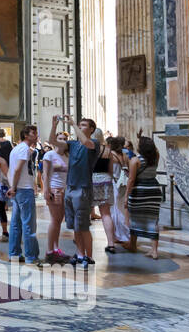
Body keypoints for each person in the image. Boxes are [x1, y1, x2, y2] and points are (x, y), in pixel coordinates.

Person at [49, 113, 100, 266]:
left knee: (83, 225)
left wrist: (73, 124)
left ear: (91, 129)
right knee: (75, 226)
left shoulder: (94, 143)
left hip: (83, 188)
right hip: (70, 188)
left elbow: (86, 142)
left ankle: (89, 257)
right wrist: (54, 125)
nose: (80, 127)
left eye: (84, 125)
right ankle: (79, 254)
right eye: (80, 124)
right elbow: (52, 141)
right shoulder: (72, 144)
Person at [124, 134, 165, 259]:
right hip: (154, 189)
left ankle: (132, 244)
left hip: (140, 190)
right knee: (153, 219)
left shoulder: (135, 160)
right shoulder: (156, 157)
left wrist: (126, 196)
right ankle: (154, 251)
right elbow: (155, 151)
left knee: (135, 218)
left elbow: (131, 180)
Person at [6, 125, 42, 264]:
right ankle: (31, 256)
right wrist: (13, 187)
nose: (36, 135)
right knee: (29, 223)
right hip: (24, 189)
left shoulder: (16, 149)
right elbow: (17, 170)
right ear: (26, 135)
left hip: (19, 189)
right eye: (34, 133)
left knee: (16, 223)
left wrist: (12, 187)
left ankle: (14, 254)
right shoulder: (24, 149)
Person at [42, 136, 70, 264]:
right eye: (59, 138)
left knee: (58, 221)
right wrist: (46, 190)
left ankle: (55, 249)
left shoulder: (68, 156)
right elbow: (45, 174)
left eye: (64, 138)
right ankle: (49, 251)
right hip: (54, 189)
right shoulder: (49, 154)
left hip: (65, 190)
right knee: (54, 220)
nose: (62, 140)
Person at [104, 136, 133, 253]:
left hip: (114, 183)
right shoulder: (125, 154)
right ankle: (124, 234)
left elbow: (108, 170)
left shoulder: (111, 154)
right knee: (120, 209)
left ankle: (119, 235)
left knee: (114, 210)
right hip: (123, 183)